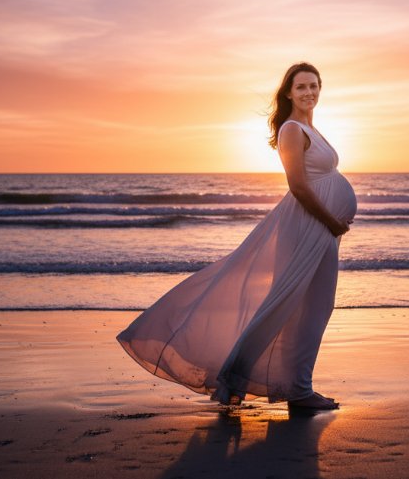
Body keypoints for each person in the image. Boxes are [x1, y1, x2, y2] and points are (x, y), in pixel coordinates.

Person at [116, 62, 356, 410]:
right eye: (302, 87)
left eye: (314, 86)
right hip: (308, 226)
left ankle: (294, 386)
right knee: (286, 308)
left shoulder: (310, 128)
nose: (309, 93)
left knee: (315, 308)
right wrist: (331, 222)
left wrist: (332, 224)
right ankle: (265, 385)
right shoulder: (291, 130)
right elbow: (298, 187)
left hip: (320, 229)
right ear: (288, 92)